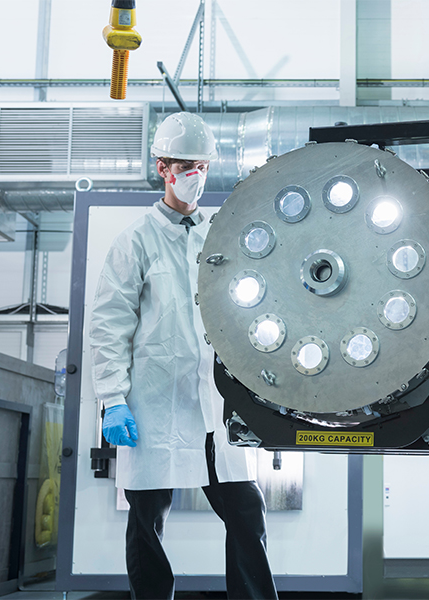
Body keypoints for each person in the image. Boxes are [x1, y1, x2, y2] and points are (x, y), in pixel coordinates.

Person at [90, 112, 278, 600]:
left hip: (215, 403)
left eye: (202, 165)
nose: (195, 175)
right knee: (147, 522)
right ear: (163, 169)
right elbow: (109, 328)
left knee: (245, 511)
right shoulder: (134, 242)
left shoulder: (220, 234)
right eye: (185, 166)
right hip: (153, 405)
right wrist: (112, 399)